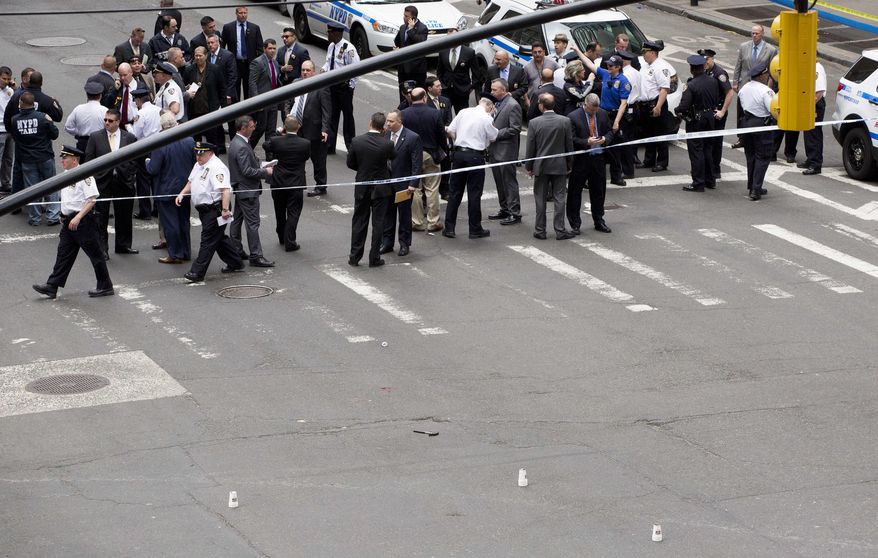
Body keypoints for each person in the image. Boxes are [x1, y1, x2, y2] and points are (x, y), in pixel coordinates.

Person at [32, 145, 114, 299]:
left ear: (75, 160)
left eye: (65, 157)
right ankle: (52, 286)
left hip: (83, 222)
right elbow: (68, 198)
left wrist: (78, 217)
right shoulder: (66, 174)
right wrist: (63, 215)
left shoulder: (85, 176)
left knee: (95, 254)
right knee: (63, 255)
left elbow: (91, 200)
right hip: (68, 221)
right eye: (63, 157)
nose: (62, 160)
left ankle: (105, 285)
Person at [177, 142, 244, 282]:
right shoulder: (199, 164)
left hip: (216, 209)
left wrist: (225, 210)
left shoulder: (217, 167)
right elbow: (191, 181)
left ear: (210, 153)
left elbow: (225, 190)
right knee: (217, 238)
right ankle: (236, 262)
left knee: (207, 240)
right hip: (204, 210)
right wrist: (182, 193)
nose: (198, 156)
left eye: (201, 153)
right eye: (197, 153)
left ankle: (197, 272)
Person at [85, 108, 138, 257]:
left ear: (118, 122)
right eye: (105, 120)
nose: (107, 123)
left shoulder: (129, 138)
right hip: (102, 182)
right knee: (100, 217)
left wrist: (130, 175)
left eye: (110, 120)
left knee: (124, 216)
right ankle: (103, 249)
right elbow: (89, 160)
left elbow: (135, 160)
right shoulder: (95, 137)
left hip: (123, 181)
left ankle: (124, 245)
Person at [346, 112, 397, 267]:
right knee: (378, 223)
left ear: (370, 123)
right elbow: (393, 157)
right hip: (381, 188)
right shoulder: (387, 144)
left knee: (359, 221)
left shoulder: (357, 141)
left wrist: (362, 169)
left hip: (362, 186)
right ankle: (374, 257)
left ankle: (354, 256)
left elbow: (350, 163)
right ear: (383, 128)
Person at [443, 97, 498, 239]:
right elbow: (493, 137)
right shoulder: (486, 118)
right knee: (474, 193)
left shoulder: (463, 112)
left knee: (455, 192)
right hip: (475, 156)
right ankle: (474, 229)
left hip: (459, 154)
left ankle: (449, 228)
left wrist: (459, 141)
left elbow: (450, 130)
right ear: (489, 107)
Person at [146, 113, 194, 263]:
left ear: (162, 126)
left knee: (171, 224)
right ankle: (186, 251)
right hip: (185, 188)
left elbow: (153, 169)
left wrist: (147, 162)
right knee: (184, 221)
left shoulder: (160, 143)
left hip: (166, 189)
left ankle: (175, 254)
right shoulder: (189, 140)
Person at [526, 94, 574, 240]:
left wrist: (529, 165)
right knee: (559, 198)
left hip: (541, 166)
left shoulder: (534, 123)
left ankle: (540, 230)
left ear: (541, 105)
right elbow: (569, 145)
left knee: (540, 198)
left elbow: (530, 147)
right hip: (559, 165)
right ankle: (560, 229)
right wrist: (569, 163)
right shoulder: (565, 121)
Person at [228, 115, 274, 267]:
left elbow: (249, 164)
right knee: (253, 224)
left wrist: (260, 164)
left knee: (237, 220)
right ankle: (256, 255)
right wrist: (265, 172)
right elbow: (247, 171)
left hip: (241, 190)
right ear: (243, 128)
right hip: (248, 191)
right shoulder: (241, 146)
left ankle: (236, 249)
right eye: (251, 126)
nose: (254, 129)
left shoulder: (237, 142)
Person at [10, 91, 61, 226]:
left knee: (32, 190)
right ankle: (53, 216)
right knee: (52, 186)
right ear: (34, 104)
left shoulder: (15, 120)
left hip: (27, 159)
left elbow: (15, 137)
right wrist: (50, 122)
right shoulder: (43, 117)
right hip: (45, 156)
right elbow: (54, 134)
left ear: (21, 103)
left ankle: (35, 217)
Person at [567, 93, 615, 235]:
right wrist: (586, 142)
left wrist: (605, 138)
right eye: (591, 110)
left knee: (599, 191)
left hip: (598, 158)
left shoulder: (603, 114)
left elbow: (611, 132)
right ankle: (575, 223)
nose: (594, 112)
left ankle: (599, 219)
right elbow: (571, 139)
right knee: (575, 192)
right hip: (581, 160)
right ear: (585, 104)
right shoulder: (573, 117)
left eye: (596, 110)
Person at [579, 53, 630, 185]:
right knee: (597, 143)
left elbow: (623, 104)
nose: (608, 67)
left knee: (615, 147)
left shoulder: (624, 82)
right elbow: (590, 64)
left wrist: (617, 122)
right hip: (602, 114)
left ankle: (616, 176)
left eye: (611, 66)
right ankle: (592, 177)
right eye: (608, 65)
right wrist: (578, 51)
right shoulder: (606, 74)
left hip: (614, 115)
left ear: (618, 67)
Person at [402, 87, 447, 232]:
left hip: (411, 155)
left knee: (414, 188)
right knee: (432, 188)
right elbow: (441, 136)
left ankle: (416, 221)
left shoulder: (404, 114)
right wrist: (443, 151)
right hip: (430, 153)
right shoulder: (435, 113)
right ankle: (433, 222)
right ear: (424, 98)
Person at [263, 117, 311, 251]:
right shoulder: (305, 143)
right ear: (298, 127)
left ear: (284, 127)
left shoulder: (276, 141)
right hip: (296, 182)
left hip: (278, 182)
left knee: (279, 210)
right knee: (293, 212)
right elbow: (306, 157)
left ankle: (281, 236)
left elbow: (265, 145)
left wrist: (279, 134)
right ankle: (290, 240)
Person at [675, 54, 720, 192]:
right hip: (709, 117)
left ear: (692, 69)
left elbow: (684, 105)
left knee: (696, 151)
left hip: (697, 120)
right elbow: (717, 98)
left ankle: (698, 182)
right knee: (707, 149)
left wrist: (677, 110)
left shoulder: (692, 85)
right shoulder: (712, 81)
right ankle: (710, 180)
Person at [380, 110, 421, 257]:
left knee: (404, 215)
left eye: (391, 121)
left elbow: (417, 163)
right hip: (387, 183)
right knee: (387, 214)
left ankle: (404, 244)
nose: (388, 124)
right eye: (388, 121)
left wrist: (413, 183)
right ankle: (387, 243)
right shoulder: (385, 135)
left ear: (399, 122)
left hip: (404, 185)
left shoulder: (412, 138)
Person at [731, 25, 777, 148]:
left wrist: (768, 87)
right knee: (741, 112)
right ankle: (741, 138)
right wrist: (735, 82)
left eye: (757, 33)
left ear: (762, 34)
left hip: (761, 87)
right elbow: (738, 65)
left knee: (758, 113)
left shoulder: (771, 50)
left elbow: (772, 71)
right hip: (745, 85)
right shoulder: (744, 47)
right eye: (752, 33)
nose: (754, 35)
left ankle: (757, 137)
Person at [292, 61, 332, 198]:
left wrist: (325, 129)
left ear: (313, 71)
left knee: (318, 160)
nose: (305, 73)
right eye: (303, 70)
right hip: (298, 129)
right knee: (298, 158)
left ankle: (321, 186)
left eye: (308, 70)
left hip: (315, 131)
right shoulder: (296, 83)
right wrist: (288, 116)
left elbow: (327, 111)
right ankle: (299, 184)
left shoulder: (321, 87)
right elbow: (288, 101)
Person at [487, 79, 523, 226]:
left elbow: (515, 128)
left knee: (509, 183)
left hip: (506, 151)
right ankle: (505, 208)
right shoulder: (497, 103)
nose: (491, 92)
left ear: (503, 90)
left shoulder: (513, 105)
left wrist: (495, 134)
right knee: (499, 182)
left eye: (494, 90)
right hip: (495, 151)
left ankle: (515, 212)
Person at [738, 64, 775, 201]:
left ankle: (752, 185)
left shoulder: (744, 88)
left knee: (751, 156)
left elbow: (741, 107)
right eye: (766, 75)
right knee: (762, 157)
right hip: (761, 124)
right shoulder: (766, 91)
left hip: (747, 124)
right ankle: (756, 189)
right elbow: (772, 109)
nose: (767, 77)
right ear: (761, 75)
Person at [323, 24, 360, 154]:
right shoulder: (331, 46)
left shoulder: (348, 49)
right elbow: (328, 62)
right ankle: (330, 145)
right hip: (332, 86)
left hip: (344, 88)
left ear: (336, 34)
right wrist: (324, 69)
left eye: (330, 33)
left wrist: (350, 86)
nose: (328, 35)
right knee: (332, 115)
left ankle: (351, 146)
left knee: (348, 116)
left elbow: (356, 68)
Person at [639, 40, 674, 172]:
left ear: (653, 52)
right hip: (645, 105)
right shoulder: (646, 65)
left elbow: (664, 89)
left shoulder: (661, 67)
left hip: (656, 104)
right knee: (649, 134)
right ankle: (649, 160)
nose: (643, 54)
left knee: (660, 134)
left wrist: (658, 106)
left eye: (645, 52)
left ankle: (662, 162)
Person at [698, 48, 733, 179]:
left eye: (707, 59)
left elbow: (729, 93)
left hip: (717, 112)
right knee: (706, 141)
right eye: (703, 59)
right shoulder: (704, 71)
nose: (705, 62)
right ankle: (707, 168)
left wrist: (723, 111)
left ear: (712, 59)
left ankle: (715, 169)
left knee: (716, 142)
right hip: (708, 111)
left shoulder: (719, 73)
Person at [183, 46, 225, 149]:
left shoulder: (215, 69)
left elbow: (222, 89)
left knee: (212, 140)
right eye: (196, 55)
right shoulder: (189, 70)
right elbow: (184, 87)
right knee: (195, 141)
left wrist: (221, 106)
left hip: (210, 110)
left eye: (200, 55)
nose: (198, 58)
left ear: (206, 56)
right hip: (194, 111)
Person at [221, 6, 264, 102]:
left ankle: (248, 112)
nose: (243, 15)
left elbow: (260, 48)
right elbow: (222, 46)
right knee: (234, 88)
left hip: (250, 64)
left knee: (249, 88)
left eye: (245, 13)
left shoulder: (254, 28)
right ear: (236, 13)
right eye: (240, 13)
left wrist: (257, 63)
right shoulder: (228, 28)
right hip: (234, 63)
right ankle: (236, 111)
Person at [131, 88, 162, 220]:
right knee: (156, 178)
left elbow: (136, 135)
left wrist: (128, 128)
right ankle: (157, 208)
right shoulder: (158, 110)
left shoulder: (141, 114)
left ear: (138, 100)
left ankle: (145, 211)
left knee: (143, 180)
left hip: (144, 148)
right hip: (158, 146)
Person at [793, 62, 827, 175]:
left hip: (815, 104)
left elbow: (820, 92)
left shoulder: (815, 69)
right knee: (808, 133)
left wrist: (809, 106)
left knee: (814, 134)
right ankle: (810, 159)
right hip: (810, 103)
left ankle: (815, 164)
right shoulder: (810, 66)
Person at [248, 39, 282, 148]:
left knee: (271, 130)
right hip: (262, 102)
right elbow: (252, 82)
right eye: (270, 48)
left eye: (274, 48)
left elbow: (276, 80)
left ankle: (269, 157)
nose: (272, 51)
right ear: (264, 49)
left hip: (273, 102)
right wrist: (258, 102)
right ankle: (247, 148)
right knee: (260, 128)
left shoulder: (275, 63)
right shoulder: (257, 62)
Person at [437, 28, 476, 115]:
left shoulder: (469, 52)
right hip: (446, 90)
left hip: (462, 91)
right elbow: (439, 70)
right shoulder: (443, 51)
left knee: (462, 116)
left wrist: (470, 87)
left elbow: (476, 73)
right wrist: (442, 84)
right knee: (443, 116)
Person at [394, 5, 428, 101]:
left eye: (406, 16)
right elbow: (398, 41)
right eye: (404, 15)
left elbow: (420, 43)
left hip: (416, 70)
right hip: (403, 69)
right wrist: (397, 49)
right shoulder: (402, 27)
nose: (404, 18)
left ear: (413, 18)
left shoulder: (422, 28)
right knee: (403, 96)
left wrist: (411, 30)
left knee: (416, 96)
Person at [65, 82, 108, 155]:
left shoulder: (78, 109)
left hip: (83, 143)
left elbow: (68, 126)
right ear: (100, 96)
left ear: (87, 95)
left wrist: (79, 132)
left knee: (83, 165)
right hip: (99, 143)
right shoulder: (105, 111)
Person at [617, 49, 641, 179]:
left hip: (626, 109)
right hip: (635, 107)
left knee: (624, 140)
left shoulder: (625, 76)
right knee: (630, 139)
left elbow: (623, 97)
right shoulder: (637, 73)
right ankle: (628, 167)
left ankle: (627, 170)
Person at [103, 63, 142, 128]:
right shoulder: (118, 87)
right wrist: (115, 90)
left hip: (135, 123)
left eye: (125, 75)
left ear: (131, 72)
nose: (122, 78)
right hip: (119, 125)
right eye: (120, 75)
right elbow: (106, 103)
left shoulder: (140, 87)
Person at [0, 66, 14, 194]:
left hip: (9, 129)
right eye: (4, 78)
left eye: (8, 79)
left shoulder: (10, 91)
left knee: (8, 159)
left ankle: (5, 183)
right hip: (0, 130)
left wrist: (13, 88)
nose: (6, 81)